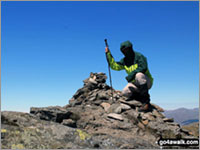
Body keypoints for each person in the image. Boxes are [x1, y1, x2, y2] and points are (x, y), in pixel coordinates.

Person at [105, 40, 153, 112]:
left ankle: (146, 103)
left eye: (127, 49)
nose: (125, 52)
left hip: (146, 82)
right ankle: (139, 97)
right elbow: (115, 66)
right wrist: (108, 54)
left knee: (139, 75)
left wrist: (131, 75)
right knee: (124, 92)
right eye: (123, 50)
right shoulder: (124, 61)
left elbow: (143, 67)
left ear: (131, 48)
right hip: (135, 84)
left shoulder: (139, 56)